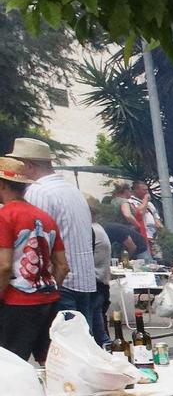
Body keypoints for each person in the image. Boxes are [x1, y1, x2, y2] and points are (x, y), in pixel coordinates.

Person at [11, 139, 96, 335]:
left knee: (63, 351)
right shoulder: (72, 191)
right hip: (83, 280)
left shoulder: (39, 191)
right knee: (82, 348)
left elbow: (36, 243)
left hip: (61, 282)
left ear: (29, 165)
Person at [0, 156, 67, 363]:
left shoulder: (5, 216)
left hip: (16, 302)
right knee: (48, 363)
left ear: (2, 184)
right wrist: (50, 290)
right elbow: (63, 266)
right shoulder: (45, 218)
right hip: (48, 299)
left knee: (10, 364)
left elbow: (3, 266)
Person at [122, 179, 158, 260]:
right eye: (144, 190)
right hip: (142, 235)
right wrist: (145, 200)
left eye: (147, 190)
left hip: (153, 238)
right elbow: (140, 213)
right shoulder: (131, 202)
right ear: (136, 190)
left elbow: (156, 219)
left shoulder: (150, 204)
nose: (147, 192)